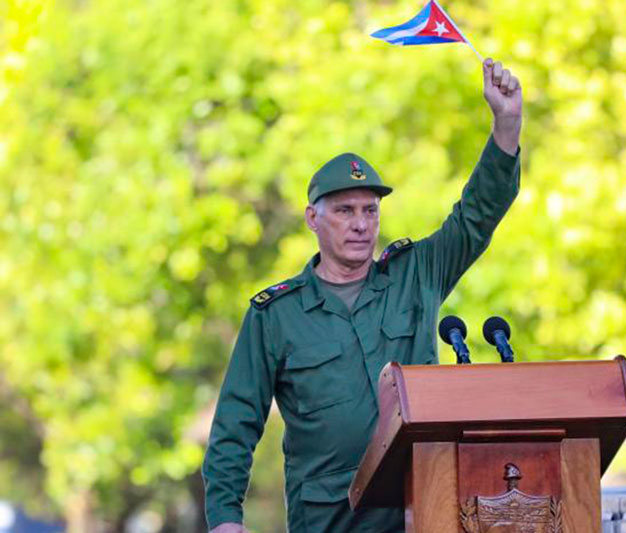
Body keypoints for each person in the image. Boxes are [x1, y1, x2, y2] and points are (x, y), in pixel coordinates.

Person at [203, 57, 522, 533]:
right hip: (331, 519)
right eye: (345, 210)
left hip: (424, 507)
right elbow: (236, 422)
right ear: (313, 218)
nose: (360, 224)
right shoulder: (276, 315)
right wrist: (225, 518)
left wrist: (507, 121)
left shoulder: (416, 275)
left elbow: (477, 216)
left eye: (370, 211)